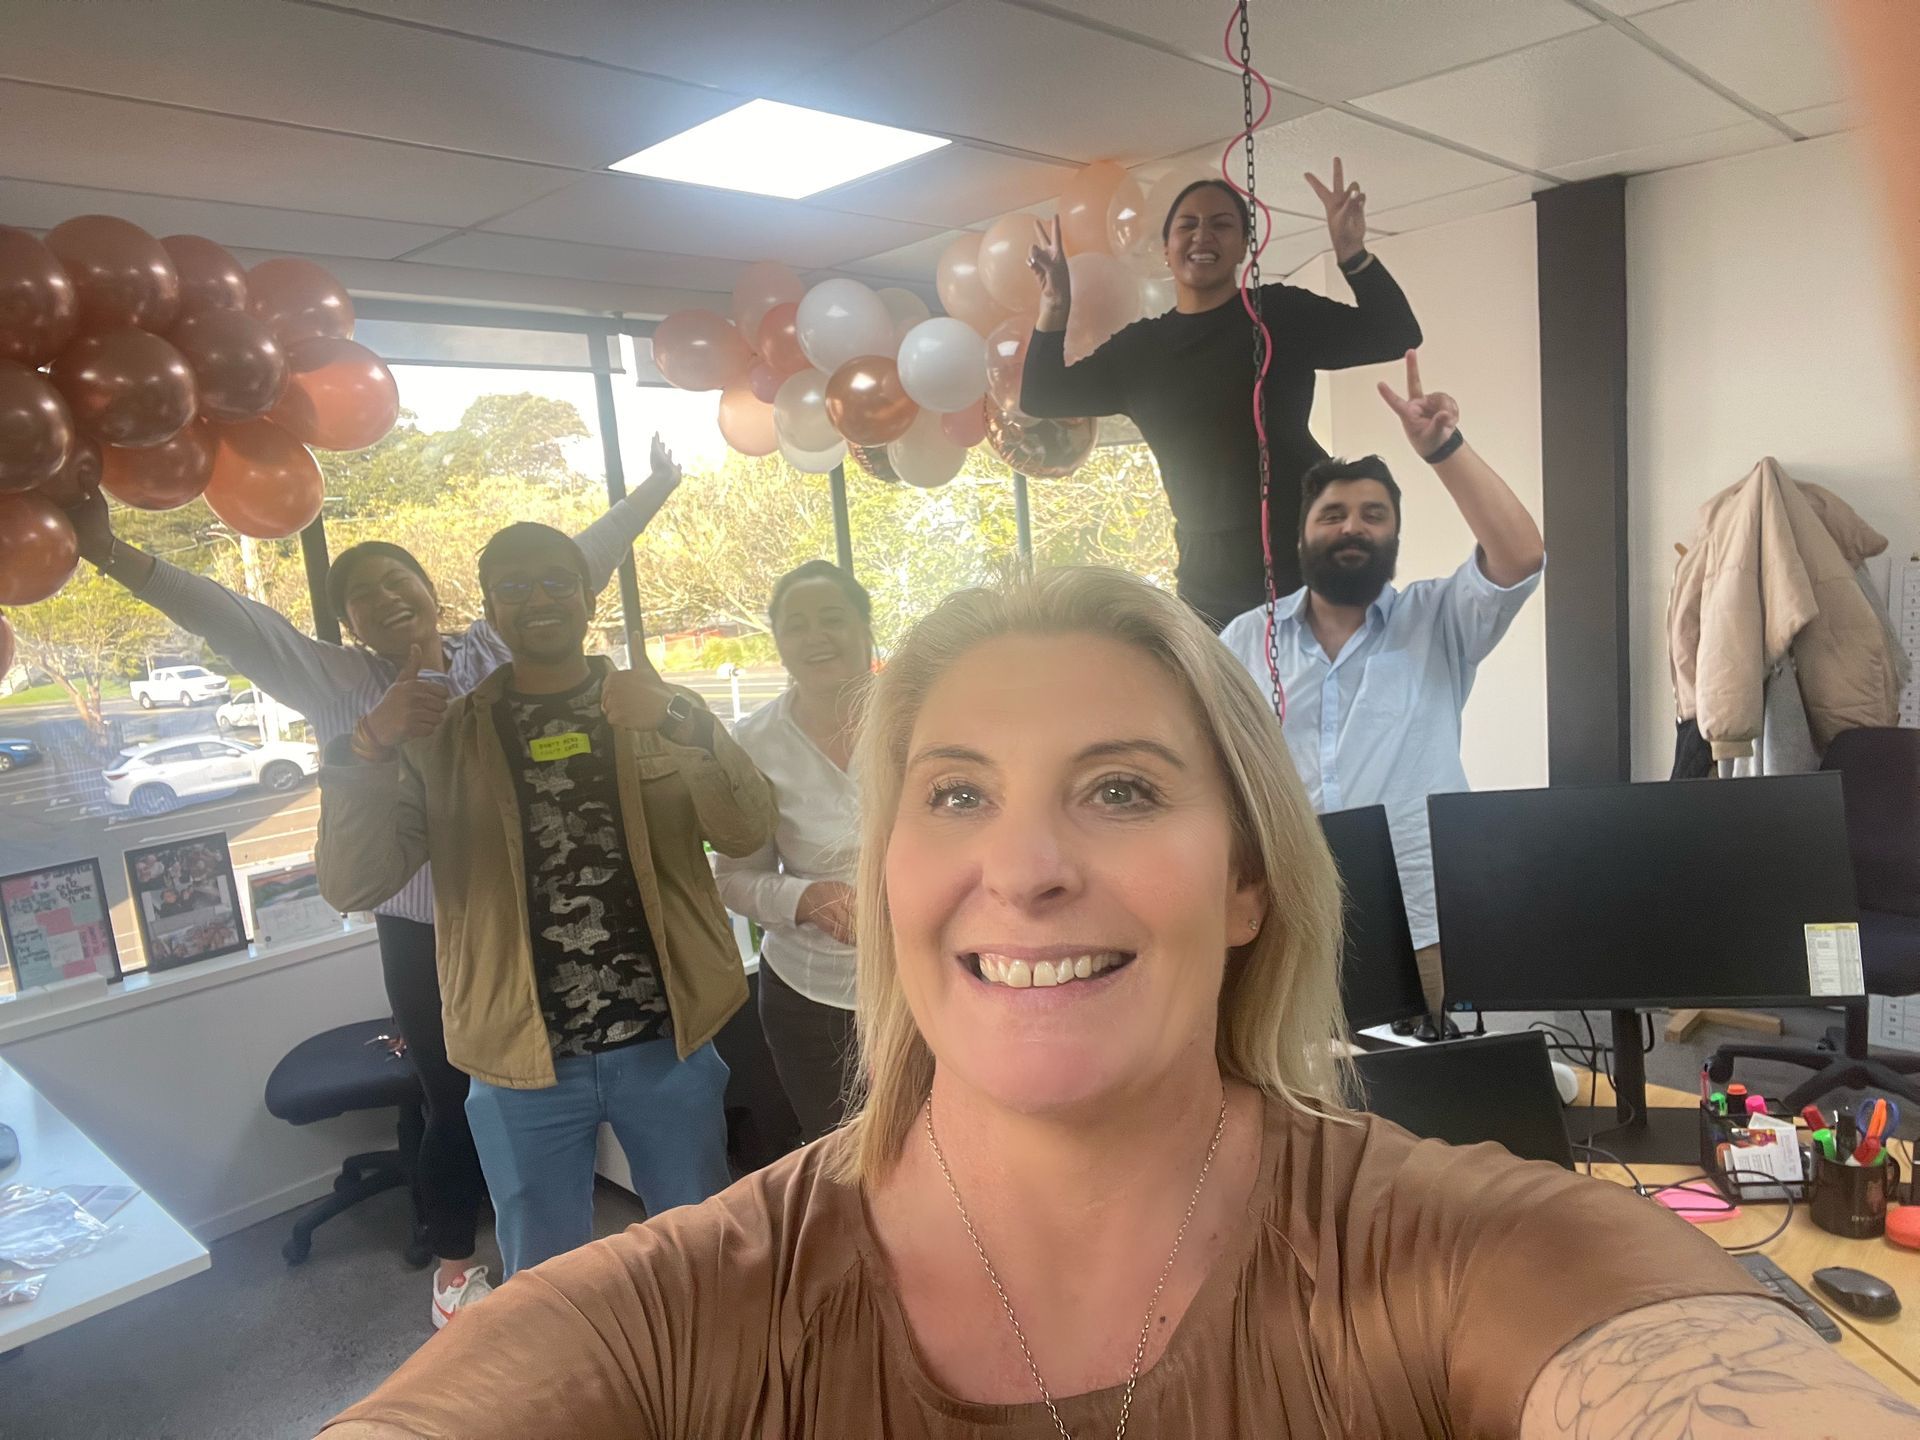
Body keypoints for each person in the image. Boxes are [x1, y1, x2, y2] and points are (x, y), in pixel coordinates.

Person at [316, 566, 1907, 1440]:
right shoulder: (684, 1316)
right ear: (888, 872)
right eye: (952, 796)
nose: (1023, 869)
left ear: (1246, 881)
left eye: (1124, 789)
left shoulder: (1469, 1252)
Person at [64, 435, 687, 1328]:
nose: (388, 601)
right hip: (424, 933)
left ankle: (549, 1249)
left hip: (521, 922)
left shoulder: (488, 654)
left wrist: (655, 487)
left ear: (433, 592)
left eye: (401, 583)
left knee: (529, 1088)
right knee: (452, 1097)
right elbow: (232, 619)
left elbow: (578, 560)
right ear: (347, 622)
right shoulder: (336, 682)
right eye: (364, 597)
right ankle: (453, 1267)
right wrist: (113, 554)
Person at [314, 521, 774, 1281]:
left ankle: (712, 1388)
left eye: (557, 581)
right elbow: (353, 882)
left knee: (703, 1255)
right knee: (544, 1280)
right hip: (517, 1053)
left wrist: (681, 722)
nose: (538, 600)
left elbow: (746, 826)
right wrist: (366, 747)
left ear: (588, 598)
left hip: (668, 1040)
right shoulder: (444, 737)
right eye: (514, 587)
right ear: (490, 611)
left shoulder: (660, 709)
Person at [1220, 352, 1543, 1019]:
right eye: (1333, 514)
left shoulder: (1437, 621)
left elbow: (1521, 555)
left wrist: (1442, 448)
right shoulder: (1247, 640)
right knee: (1295, 1092)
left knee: (1431, 1093)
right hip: (1289, 915)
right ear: (1303, 534)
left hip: (1421, 915)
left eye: (1373, 514)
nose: (1353, 528)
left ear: (1394, 534)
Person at [1021, 160, 1422, 629]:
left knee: (1329, 692)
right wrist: (1055, 304)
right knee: (1226, 697)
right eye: (1187, 225)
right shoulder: (1140, 350)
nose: (1202, 236)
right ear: (1166, 250)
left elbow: (1395, 334)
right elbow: (1043, 394)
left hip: (1308, 546)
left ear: (1243, 248)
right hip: (1210, 574)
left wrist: (1352, 253)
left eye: (1221, 224)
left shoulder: (1279, 315)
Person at [714, 560, 869, 1141]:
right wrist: (806, 898)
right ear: (778, 641)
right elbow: (733, 877)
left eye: (833, 619)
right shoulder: (752, 742)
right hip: (812, 998)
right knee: (842, 1160)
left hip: (934, 980)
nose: (816, 637)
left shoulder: (921, 718)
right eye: (796, 626)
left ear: (865, 627)